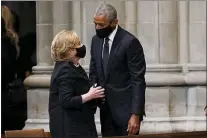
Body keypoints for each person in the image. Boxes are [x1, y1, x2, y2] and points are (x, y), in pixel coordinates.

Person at [89, 4, 146, 137]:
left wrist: (136, 114)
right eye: (95, 24)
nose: (97, 28)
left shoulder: (130, 42)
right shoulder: (96, 40)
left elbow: (138, 80)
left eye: (101, 25)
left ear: (114, 22)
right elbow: (94, 72)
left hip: (126, 114)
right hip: (105, 112)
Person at [49, 30, 105, 138]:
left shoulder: (73, 66)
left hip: (79, 123)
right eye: (77, 44)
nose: (81, 46)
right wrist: (89, 95)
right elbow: (66, 100)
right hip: (71, 128)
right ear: (69, 49)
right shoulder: (65, 68)